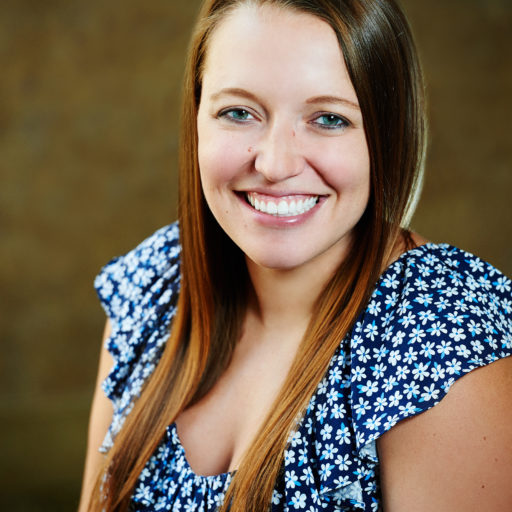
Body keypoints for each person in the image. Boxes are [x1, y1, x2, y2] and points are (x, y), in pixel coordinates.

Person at [78, 0, 512, 510]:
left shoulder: (447, 339)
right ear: (197, 117)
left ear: (387, 133)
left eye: (328, 119)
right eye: (238, 112)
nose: (275, 164)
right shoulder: (153, 288)